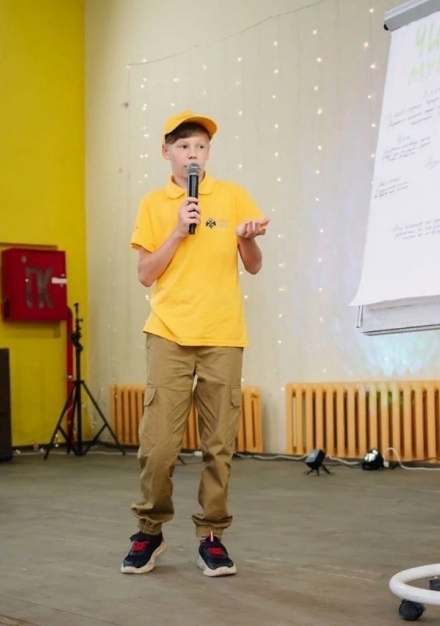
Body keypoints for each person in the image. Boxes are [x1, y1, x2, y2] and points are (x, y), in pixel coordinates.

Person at [122, 110, 269, 577]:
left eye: (201, 146)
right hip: (168, 331)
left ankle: (212, 536)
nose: (193, 154)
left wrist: (246, 239)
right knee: (158, 446)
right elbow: (146, 274)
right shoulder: (153, 204)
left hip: (222, 334)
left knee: (219, 443)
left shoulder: (232, 196)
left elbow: (254, 265)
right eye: (184, 146)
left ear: (208, 153)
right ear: (166, 151)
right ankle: (150, 529)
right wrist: (177, 231)